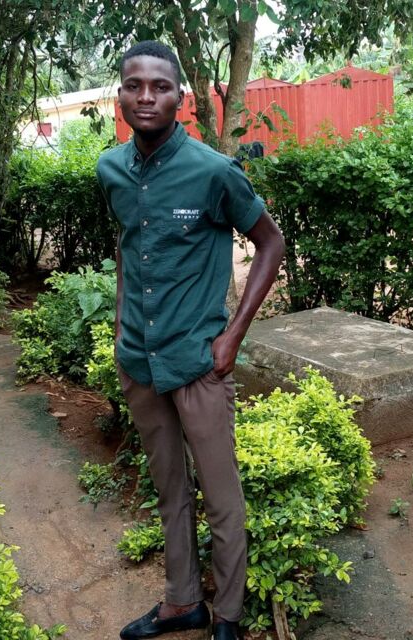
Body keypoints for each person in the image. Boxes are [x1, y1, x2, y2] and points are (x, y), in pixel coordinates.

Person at [96, 40, 285, 640]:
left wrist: (233, 338)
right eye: (134, 85)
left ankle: (226, 615)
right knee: (169, 489)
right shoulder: (110, 169)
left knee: (221, 497)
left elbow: (271, 244)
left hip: (199, 361)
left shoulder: (213, 171)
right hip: (139, 362)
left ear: (180, 97)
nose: (146, 96)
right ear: (120, 95)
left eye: (160, 87)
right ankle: (183, 603)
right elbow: (130, 251)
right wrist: (122, 332)